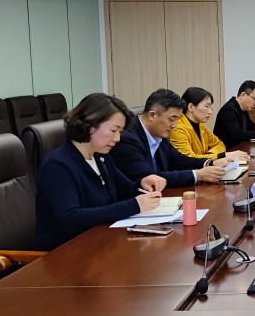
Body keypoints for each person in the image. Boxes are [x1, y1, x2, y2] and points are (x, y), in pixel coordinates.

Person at [35, 93, 166, 250]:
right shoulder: (58, 165)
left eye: (120, 131)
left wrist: (143, 183)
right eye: (113, 130)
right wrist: (134, 205)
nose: (117, 138)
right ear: (90, 125)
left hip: (99, 242)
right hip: (65, 252)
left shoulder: (101, 157)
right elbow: (71, 219)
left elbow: (125, 189)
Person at [111, 88, 229, 186]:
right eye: (172, 119)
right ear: (152, 115)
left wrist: (210, 163)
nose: (175, 125)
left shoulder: (159, 134)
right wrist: (197, 175)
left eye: (177, 119)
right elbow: (149, 177)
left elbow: (179, 160)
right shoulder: (127, 139)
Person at [169, 86, 250, 162]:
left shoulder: (201, 125)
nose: (210, 111)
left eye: (210, 107)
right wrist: (220, 156)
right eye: (206, 106)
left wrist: (209, 155)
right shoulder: (178, 128)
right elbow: (188, 159)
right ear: (191, 107)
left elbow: (219, 144)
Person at [213, 80, 255, 147]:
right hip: (227, 151)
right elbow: (236, 134)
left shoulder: (243, 109)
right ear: (243, 95)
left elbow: (251, 126)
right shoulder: (228, 111)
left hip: (239, 148)